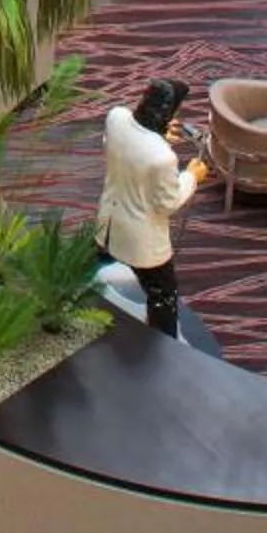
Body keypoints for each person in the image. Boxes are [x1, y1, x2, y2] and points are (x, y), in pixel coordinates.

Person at [95, 78, 206, 339]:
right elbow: (167, 204)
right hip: (141, 243)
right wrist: (191, 176)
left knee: (93, 270)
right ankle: (163, 346)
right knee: (163, 295)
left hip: (108, 224)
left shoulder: (116, 117)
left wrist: (158, 135)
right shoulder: (162, 157)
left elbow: (119, 144)